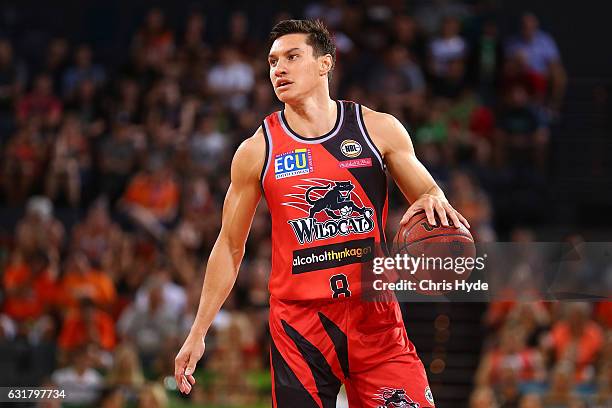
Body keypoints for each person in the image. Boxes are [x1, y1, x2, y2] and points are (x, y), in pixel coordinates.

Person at [175, 19, 470, 407]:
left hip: (375, 319)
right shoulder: (257, 150)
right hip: (300, 326)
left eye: (292, 57)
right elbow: (229, 246)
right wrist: (199, 330)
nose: (278, 69)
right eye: (272, 61)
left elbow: (430, 193)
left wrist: (434, 198)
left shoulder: (378, 130)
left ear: (325, 64)